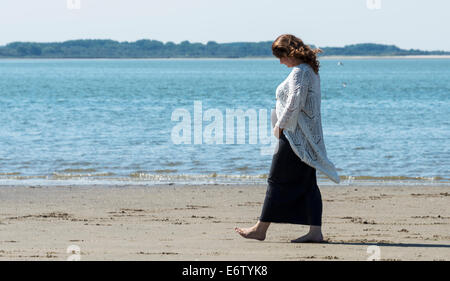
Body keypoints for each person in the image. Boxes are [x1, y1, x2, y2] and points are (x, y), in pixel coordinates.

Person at [234, 34, 340, 243]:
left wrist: (279, 127)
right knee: (308, 184)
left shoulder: (300, 73)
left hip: (294, 138)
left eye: (281, 57)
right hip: (304, 137)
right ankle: (315, 232)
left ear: (289, 52)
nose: (281, 62)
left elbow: (294, 103)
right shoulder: (310, 70)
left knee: (275, 180)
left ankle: (260, 229)